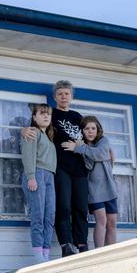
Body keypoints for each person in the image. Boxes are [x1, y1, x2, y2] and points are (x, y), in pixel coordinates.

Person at [23, 80, 88, 257]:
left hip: (80, 168)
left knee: (81, 208)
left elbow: (91, 134)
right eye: (60, 94)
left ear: (72, 96)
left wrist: (106, 148)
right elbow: (34, 129)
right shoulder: (51, 115)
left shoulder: (77, 117)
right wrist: (23, 130)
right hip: (60, 168)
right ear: (55, 97)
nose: (64, 96)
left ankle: (82, 245)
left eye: (67, 93)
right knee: (64, 207)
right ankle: (66, 245)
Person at [62, 116, 118, 248]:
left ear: (98, 129)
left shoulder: (104, 141)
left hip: (110, 189)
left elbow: (99, 154)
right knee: (101, 221)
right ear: (82, 131)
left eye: (93, 128)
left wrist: (79, 149)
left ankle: (111, 253)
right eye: (87, 129)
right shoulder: (83, 145)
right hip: (94, 190)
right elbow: (89, 166)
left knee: (112, 223)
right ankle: (99, 253)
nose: (90, 131)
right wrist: (84, 150)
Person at [20, 104, 57, 263]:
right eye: (42, 114)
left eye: (48, 114)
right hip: (37, 173)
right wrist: (31, 176)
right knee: (38, 215)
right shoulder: (33, 132)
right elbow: (28, 155)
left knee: (49, 216)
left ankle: (46, 253)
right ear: (34, 117)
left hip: (49, 176)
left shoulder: (47, 136)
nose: (46, 116)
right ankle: (38, 256)